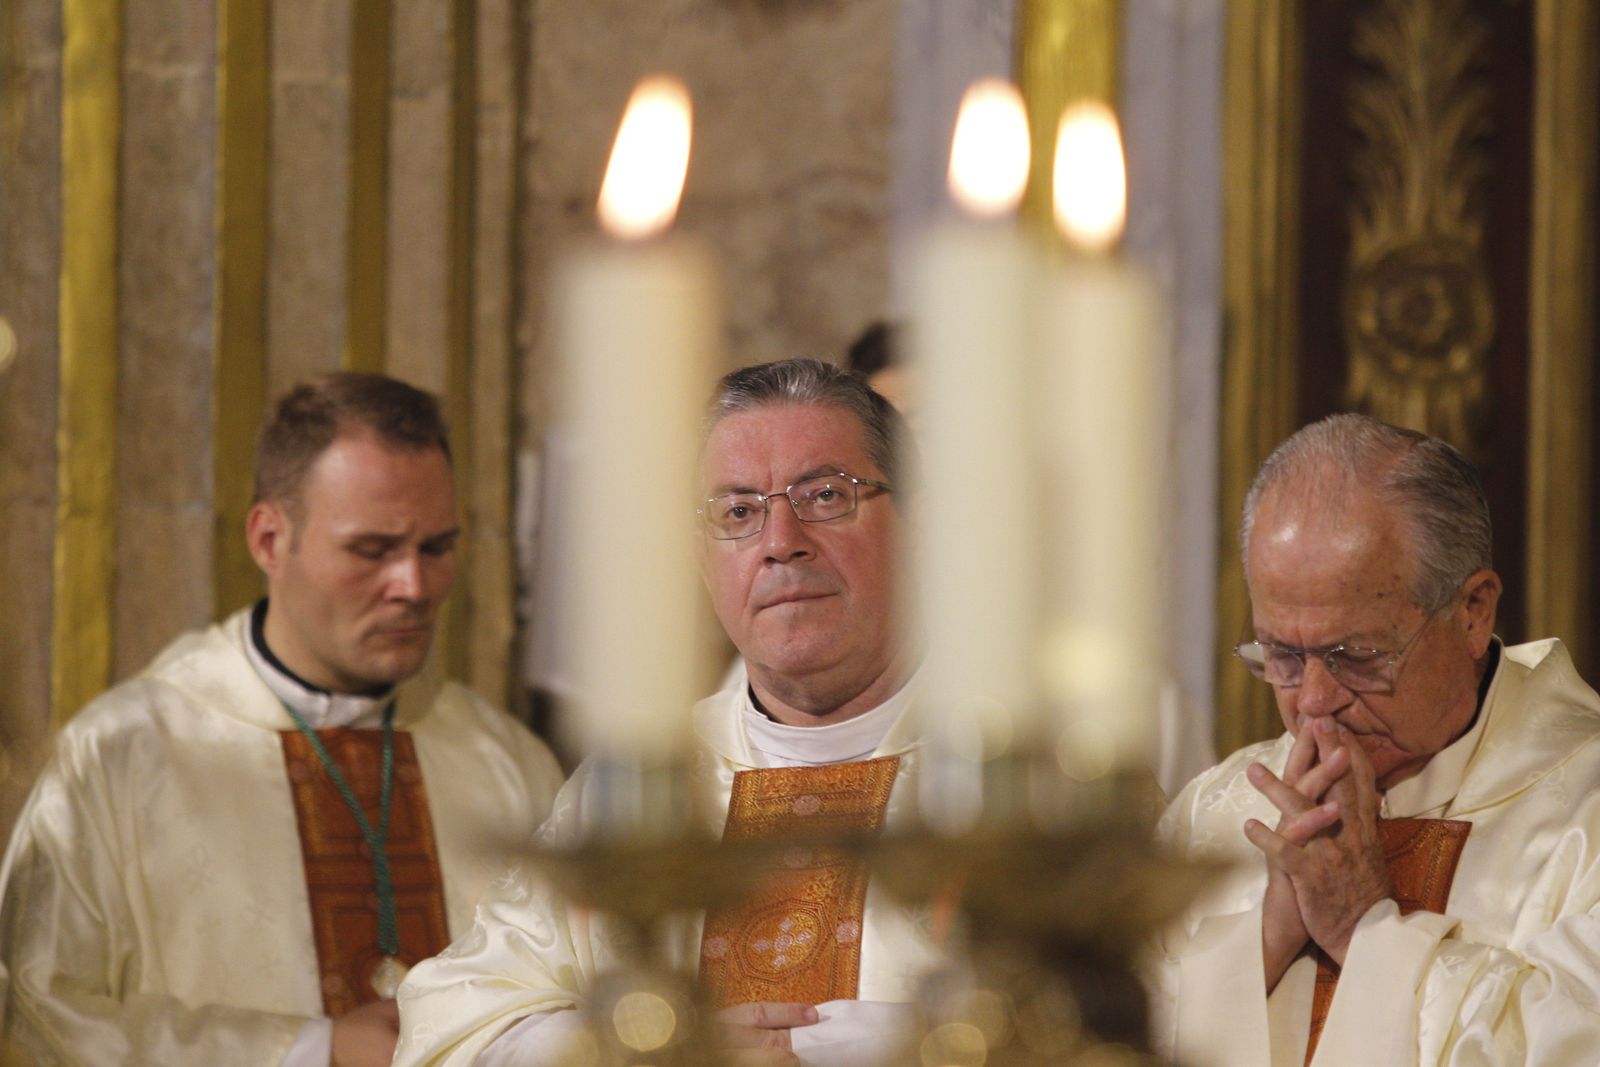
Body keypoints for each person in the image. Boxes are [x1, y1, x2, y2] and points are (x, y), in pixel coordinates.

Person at [0, 373, 565, 1067]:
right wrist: (312, 1049)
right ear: (270, 538)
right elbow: (34, 1015)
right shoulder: (120, 758)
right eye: (372, 549)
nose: (413, 586)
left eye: (437, 547)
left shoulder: (507, 760)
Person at [394, 358, 937, 1067]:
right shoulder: (633, 785)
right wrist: (627, 1047)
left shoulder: (1021, 773)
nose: (781, 541)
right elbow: (451, 1029)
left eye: (826, 494)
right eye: (738, 511)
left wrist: (918, 1045)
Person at [1151, 413, 1600, 1066]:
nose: (1311, 701)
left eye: (1354, 654)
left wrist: (1367, 933)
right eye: (1279, 654)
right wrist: (1259, 943)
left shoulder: (1584, 814)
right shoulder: (1213, 813)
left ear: (1473, 609)